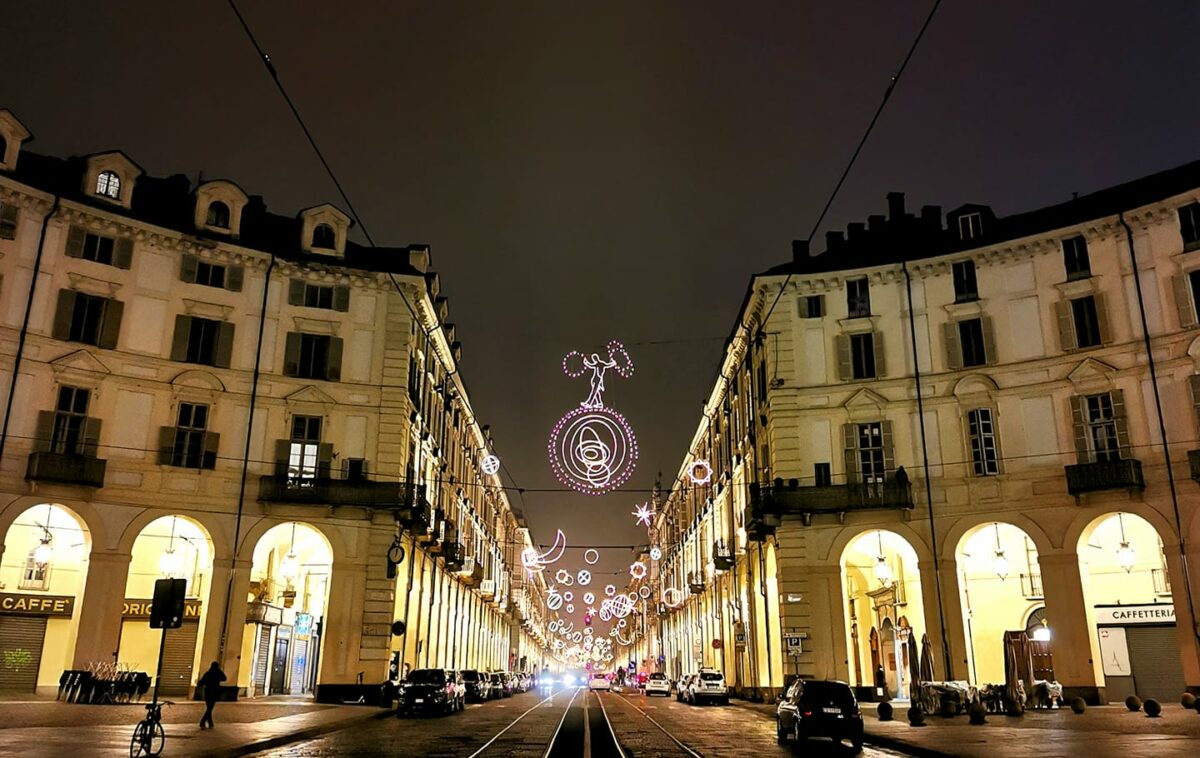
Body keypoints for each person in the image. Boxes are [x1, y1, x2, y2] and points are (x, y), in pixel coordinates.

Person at [197, 662, 227, 729]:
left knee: (209, 707)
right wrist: (220, 671)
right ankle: (202, 722)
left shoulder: (208, 673)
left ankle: (210, 723)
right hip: (214, 692)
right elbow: (224, 678)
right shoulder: (218, 673)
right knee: (210, 708)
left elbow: (201, 683)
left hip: (207, 692)